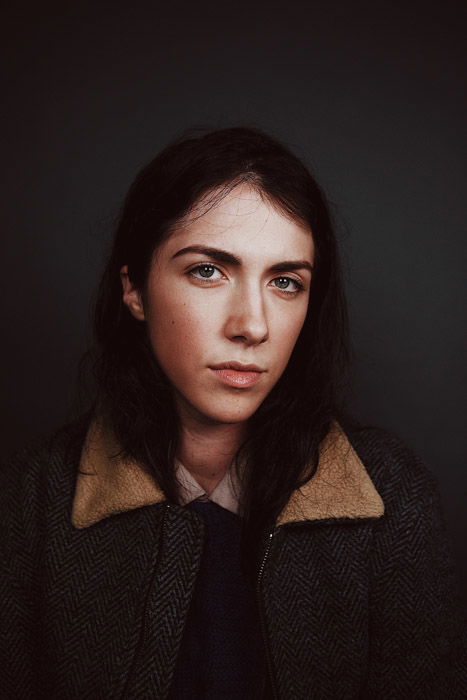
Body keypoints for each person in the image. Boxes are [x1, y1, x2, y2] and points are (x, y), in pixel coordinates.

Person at [1, 126, 465, 699]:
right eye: (208, 270)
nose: (253, 325)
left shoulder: (392, 499)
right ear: (135, 289)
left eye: (286, 282)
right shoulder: (31, 500)